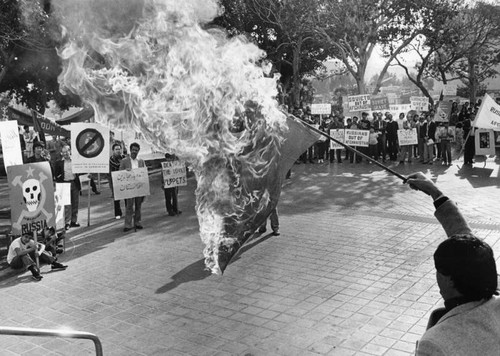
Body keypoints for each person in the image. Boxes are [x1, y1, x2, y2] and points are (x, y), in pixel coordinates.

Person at [406, 172, 500, 356]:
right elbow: (466, 240)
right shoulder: (489, 283)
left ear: (447, 279)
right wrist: (434, 191)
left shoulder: (435, 344)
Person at [120, 142, 145, 232]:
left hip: (138, 187)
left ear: (138, 151)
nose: (134, 151)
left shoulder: (141, 161)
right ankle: (128, 224)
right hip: (129, 188)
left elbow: (144, 174)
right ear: (130, 150)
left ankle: (137, 222)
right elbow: (120, 173)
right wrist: (125, 171)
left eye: (136, 150)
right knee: (129, 206)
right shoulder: (124, 161)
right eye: (133, 150)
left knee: (138, 205)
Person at [54, 144, 81, 230]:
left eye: (67, 151)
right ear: (61, 153)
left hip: (74, 183)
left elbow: (80, 171)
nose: (65, 154)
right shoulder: (59, 163)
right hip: (64, 184)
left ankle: (74, 220)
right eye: (64, 152)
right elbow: (56, 174)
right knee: (67, 204)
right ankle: (67, 222)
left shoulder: (76, 161)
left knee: (75, 202)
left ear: (70, 151)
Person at [109, 143, 126, 219]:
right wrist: (123, 163)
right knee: (116, 198)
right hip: (115, 180)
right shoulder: (111, 159)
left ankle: (128, 210)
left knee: (127, 196)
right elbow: (116, 165)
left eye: (119, 149)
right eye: (116, 149)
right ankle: (117, 213)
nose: (118, 151)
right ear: (113, 150)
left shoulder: (124, 157)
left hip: (125, 179)